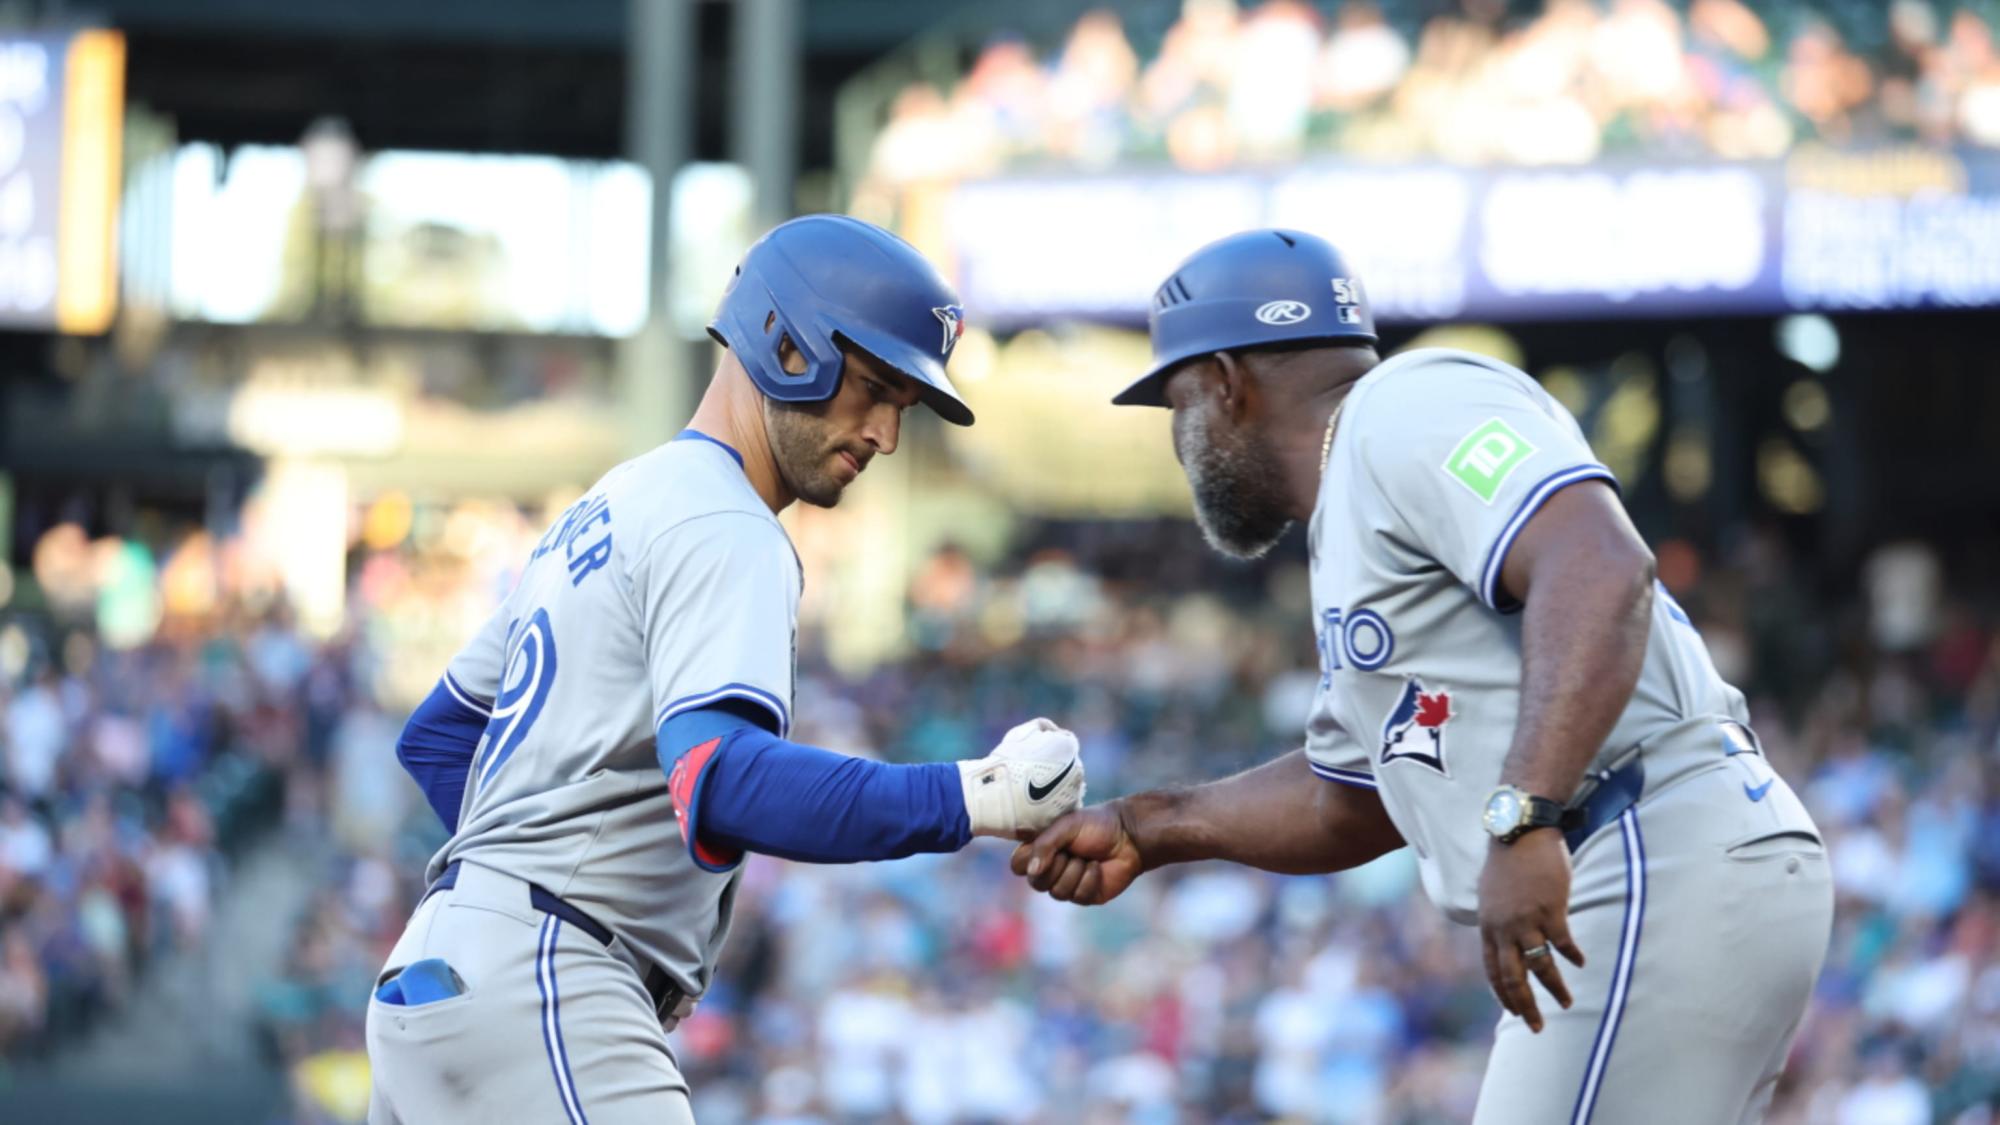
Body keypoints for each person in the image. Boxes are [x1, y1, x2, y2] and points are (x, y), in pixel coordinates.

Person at [1014, 229, 1832, 1124]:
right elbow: (1348, 800)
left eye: (1177, 404)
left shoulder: (1402, 405)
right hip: (1677, 859)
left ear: (1224, 381)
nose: (1182, 440)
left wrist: (1525, 815)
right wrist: (1151, 826)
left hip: (1644, 843)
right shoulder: (1357, 515)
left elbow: (1599, 563)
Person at [366, 215, 1086, 1125]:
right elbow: (722, 777)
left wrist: (510, 887)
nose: (886, 434)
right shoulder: (728, 522)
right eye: (874, 389)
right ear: (786, 343)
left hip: (445, 975)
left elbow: (437, 735)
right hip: (545, 979)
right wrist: (969, 796)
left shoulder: (613, 500)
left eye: (902, 404)